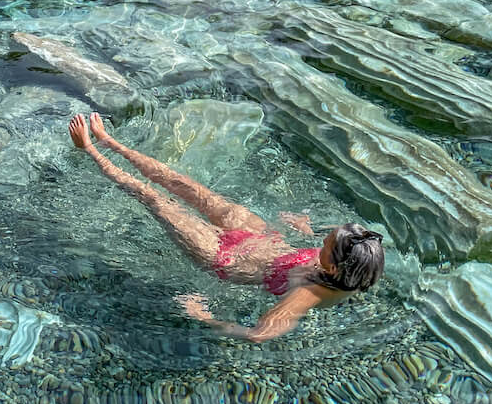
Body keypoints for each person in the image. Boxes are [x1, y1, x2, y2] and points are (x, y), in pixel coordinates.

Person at [67, 113, 384, 342]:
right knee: (188, 187)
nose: (321, 243)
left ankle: (91, 150)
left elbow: (260, 334)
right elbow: (322, 250)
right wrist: (302, 228)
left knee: (154, 198)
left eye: (325, 244)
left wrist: (204, 316)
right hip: (263, 237)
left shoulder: (309, 294)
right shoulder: (358, 258)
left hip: (226, 257)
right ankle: (111, 142)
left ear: (333, 266)